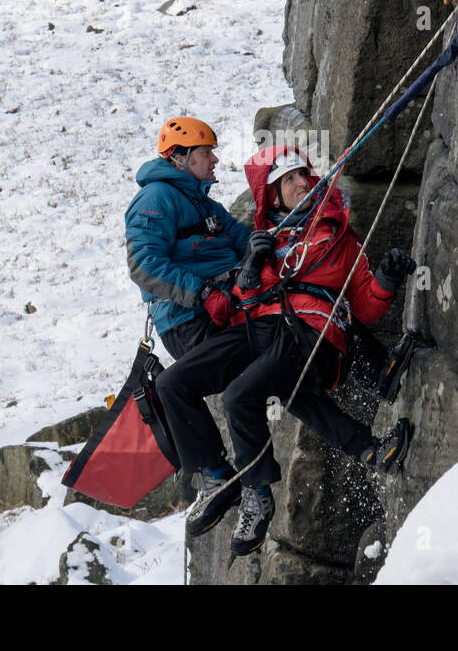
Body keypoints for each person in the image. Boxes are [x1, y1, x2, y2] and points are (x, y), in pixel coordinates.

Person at [154, 145, 418, 556]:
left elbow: (365, 304)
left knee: (242, 395)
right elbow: (243, 299)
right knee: (171, 383)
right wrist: (248, 270)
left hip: (310, 329)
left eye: (303, 176)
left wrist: (385, 278)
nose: (301, 183)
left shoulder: (334, 235)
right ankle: (216, 475)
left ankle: (257, 494)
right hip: (258, 327)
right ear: (271, 192)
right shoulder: (264, 241)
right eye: (289, 179)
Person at [125, 117, 251, 363]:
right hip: (187, 320)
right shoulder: (155, 199)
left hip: (225, 302)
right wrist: (204, 293)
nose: (215, 160)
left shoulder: (204, 204)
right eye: (206, 153)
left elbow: (243, 239)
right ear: (180, 157)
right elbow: (144, 265)